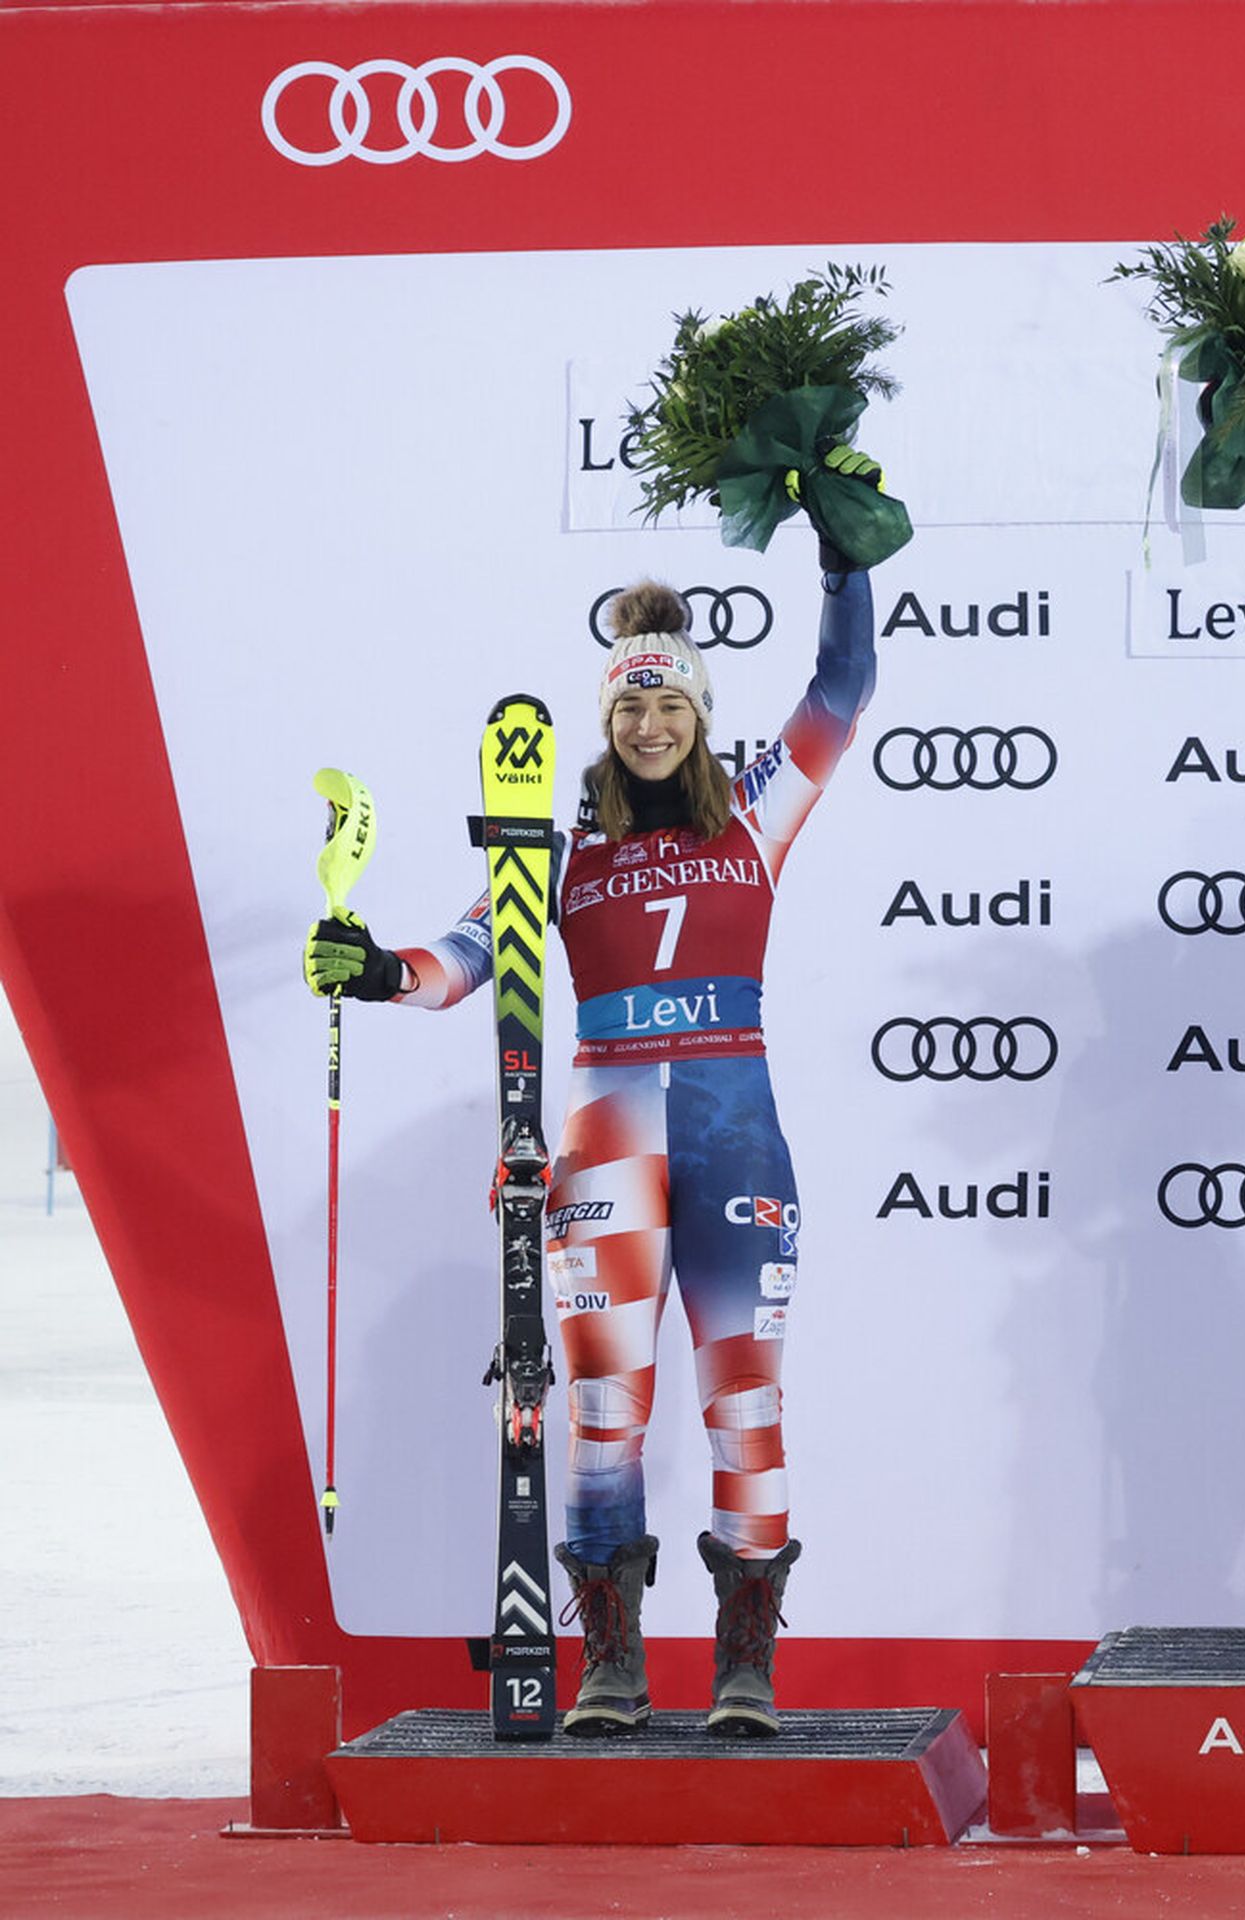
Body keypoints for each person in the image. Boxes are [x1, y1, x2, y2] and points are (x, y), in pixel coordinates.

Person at [301, 452, 884, 1736]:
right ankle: (611, 1663)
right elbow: (460, 964)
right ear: (608, 723)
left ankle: (746, 1666)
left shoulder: (757, 822)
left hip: (737, 1133)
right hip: (606, 1140)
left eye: (668, 704)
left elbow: (843, 690)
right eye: (629, 710)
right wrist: (371, 969)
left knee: (745, 1401)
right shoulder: (558, 846)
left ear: (697, 713)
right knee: (606, 1406)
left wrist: (842, 553)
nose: (651, 726)